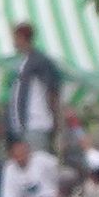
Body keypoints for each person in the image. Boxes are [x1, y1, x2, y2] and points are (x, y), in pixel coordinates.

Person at [6, 21, 63, 149]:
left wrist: (55, 119)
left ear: (22, 38)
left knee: (37, 158)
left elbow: (52, 90)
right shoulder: (22, 62)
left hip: (36, 123)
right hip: (22, 126)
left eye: (15, 38)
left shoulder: (39, 61)